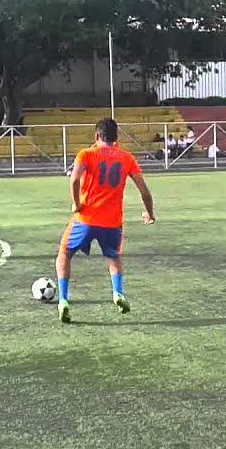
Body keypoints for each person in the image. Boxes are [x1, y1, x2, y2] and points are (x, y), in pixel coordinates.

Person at [56, 117, 155, 324]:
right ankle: (117, 293)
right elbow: (144, 191)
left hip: (86, 218)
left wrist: (76, 204)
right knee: (114, 258)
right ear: (116, 138)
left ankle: (64, 300)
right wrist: (149, 213)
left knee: (65, 253)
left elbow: (74, 179)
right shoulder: (127, 158)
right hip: (112, 223)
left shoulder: (86, 153)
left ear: (96, 136)